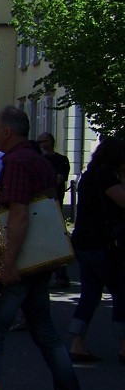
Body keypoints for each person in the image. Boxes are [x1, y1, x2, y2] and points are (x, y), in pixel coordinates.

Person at [0, 106, 85, 390]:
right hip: (40, 260)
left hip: (21, 260)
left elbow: (19, 214)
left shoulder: (15, 162)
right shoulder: (38, 159)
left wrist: (8, 263)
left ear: (8, 132)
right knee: (46, 332)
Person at [65, 136, 125, 365]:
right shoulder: (107, 176)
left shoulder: (89, 175)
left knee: (90, 294)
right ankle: (123, 345)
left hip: (84, 242)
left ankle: (77, 342)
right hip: (104, 244)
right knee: (122, 291)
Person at [37, 132, 72, 287]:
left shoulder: (60, 160)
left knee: (58, 242)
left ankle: (61, 276)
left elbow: (58, 179)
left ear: (50, 141)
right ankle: (46, 275)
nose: (40, 144)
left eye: (43, 141)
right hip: (39, 205)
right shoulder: (40, 160)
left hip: (55, 204)